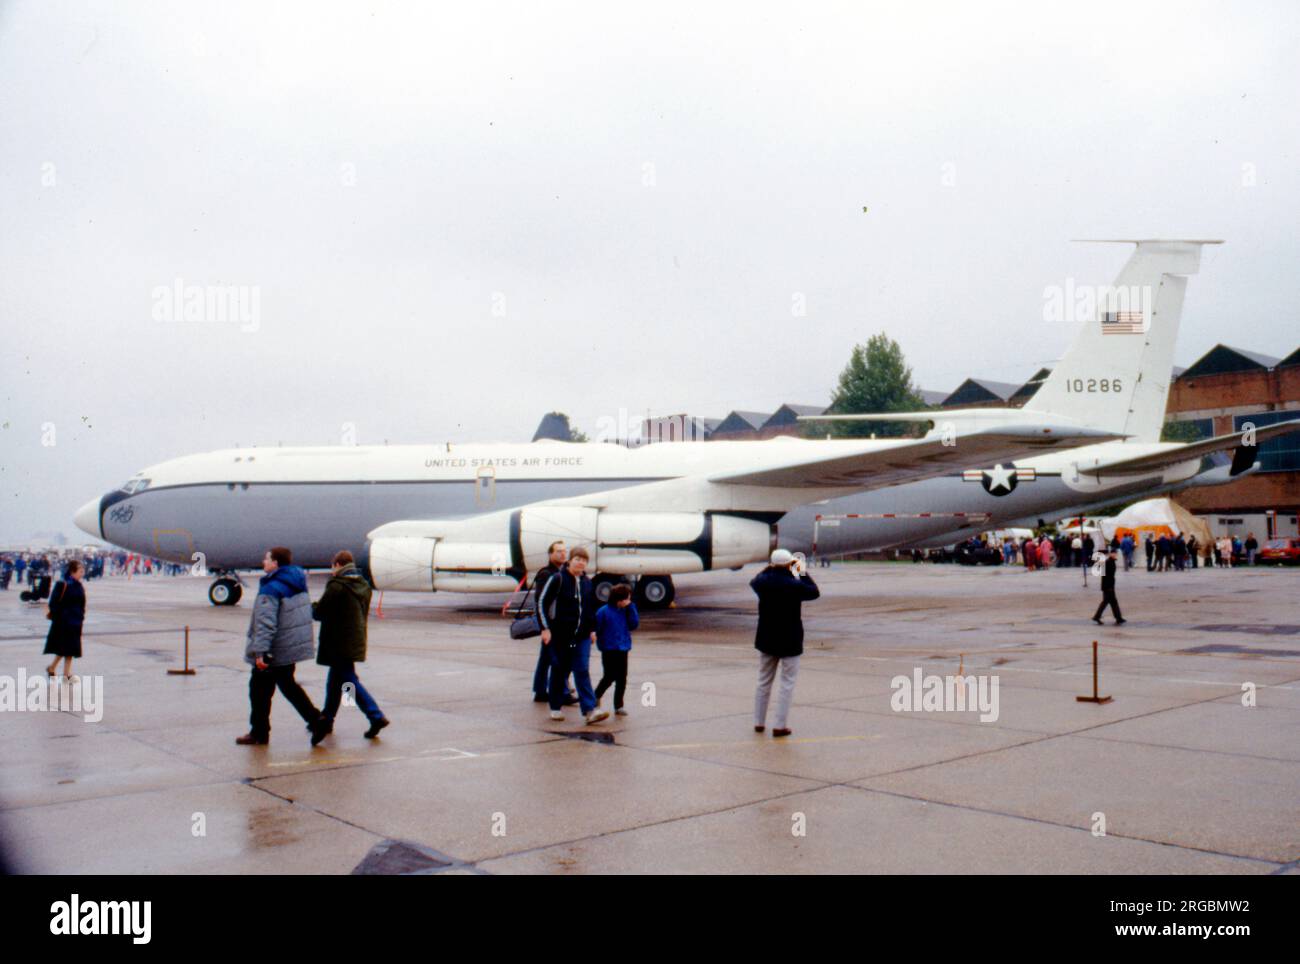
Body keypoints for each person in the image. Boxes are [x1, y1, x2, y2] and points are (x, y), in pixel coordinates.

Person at [237, 547, 328, 746]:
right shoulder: (297, 582)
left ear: (276, 563)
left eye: (266, 559)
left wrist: (261, 652)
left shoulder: (272, 587)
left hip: (273, 650)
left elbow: (266, 623)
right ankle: (316, 720)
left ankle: (260, 732)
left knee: (259, 691)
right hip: (288, 648)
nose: (263, 562)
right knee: (288, 686)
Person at [313, 550, 389, 741]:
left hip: (337, 642)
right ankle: (327, 719)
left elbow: (321, 612)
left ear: (338, 565)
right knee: (336, 683)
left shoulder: (337, 586)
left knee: (348, 681)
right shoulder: (363, 585)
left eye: (332, 566)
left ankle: (375, 715)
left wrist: (311, 606)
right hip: (355, 640)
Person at [750, 549, 820, 738]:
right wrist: (801, 570)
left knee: (763, 681)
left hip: (766, 637)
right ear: (789, 564)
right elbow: (814, 592)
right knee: (786, 684)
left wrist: (771, 567)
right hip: (790, 638)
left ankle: (758, 721)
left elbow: (755, 579)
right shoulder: (794, 584)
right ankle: (779, 725)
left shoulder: (762, 582)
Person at [537, 546, 608, 724]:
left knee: (582, 670)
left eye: (584, 560)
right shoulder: (558, 579)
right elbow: (541, 603)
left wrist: (592, 629)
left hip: (581, 636)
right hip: (561, 635)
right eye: (577, 559)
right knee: (560, 670)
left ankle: (589, 710)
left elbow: (590, 608)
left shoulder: (587, 582)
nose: (580, 563)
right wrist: (545, 628)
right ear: (570, 560)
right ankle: (555, 706)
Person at [531, 542, 576, 706]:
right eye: (558, 552)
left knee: (546, 658)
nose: (562, 555)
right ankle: (562, 692)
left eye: (565, 552)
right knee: (559, 660)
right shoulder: (546, 574)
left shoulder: (564, 572)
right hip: (552, 625)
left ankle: (540, 691)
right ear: (550, 554)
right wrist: (545, 627)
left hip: (561, 624)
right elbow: (540, 601)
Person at [594, 583, 638, 716]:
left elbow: (634, 624)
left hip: (623, 647)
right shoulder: (603, 612)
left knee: (622, 678)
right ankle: (596, 695)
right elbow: (597, 628)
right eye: (626, 599)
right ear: (619, 599)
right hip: (609, 648)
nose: (628, 601)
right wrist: (600, 642)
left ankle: (618, 705)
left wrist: (631, 608)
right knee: (609, 676)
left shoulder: (626, 610)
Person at [43, 559, 86, 679]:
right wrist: (61, 616)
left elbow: (82, 603)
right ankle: (64, 673)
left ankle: (57, 670)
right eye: (80, 571)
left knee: (70, 649)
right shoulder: (62, 584)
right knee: (65, 648)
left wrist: (81, 616)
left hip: (75, 622)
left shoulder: (79, 585)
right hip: (63, 622)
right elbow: (53, 603)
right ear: (72, 572)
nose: (82, 574)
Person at [1092, 547, 1126, 626]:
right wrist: (1108, 587)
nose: (1115, 554)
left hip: (1110, 586)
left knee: (1113, 602)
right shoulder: (1108, 562)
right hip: (1108, 587)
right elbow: (1105, 576)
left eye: (1116, 553)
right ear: (1110, 554)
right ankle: (1097, 616)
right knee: (1106, 602)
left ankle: (1118, 617)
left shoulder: (1111, 562)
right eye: (1114, 553)